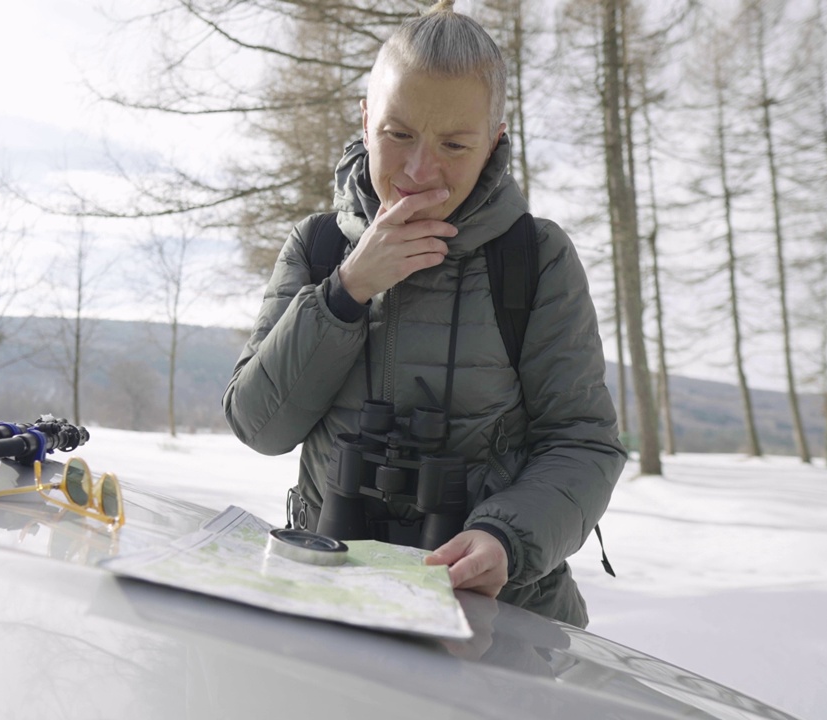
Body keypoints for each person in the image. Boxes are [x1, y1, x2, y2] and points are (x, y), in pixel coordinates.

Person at [222, 0, 626, 628]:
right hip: (327, 593)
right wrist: (346, 291)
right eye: (398, 134)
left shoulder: (536, 257)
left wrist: (504, 538)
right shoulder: (318, 246)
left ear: (494, 140)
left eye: (455, 144)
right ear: (365, 118)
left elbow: (583, 442)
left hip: (495, 616)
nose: (418, 171)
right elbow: (259, 426)